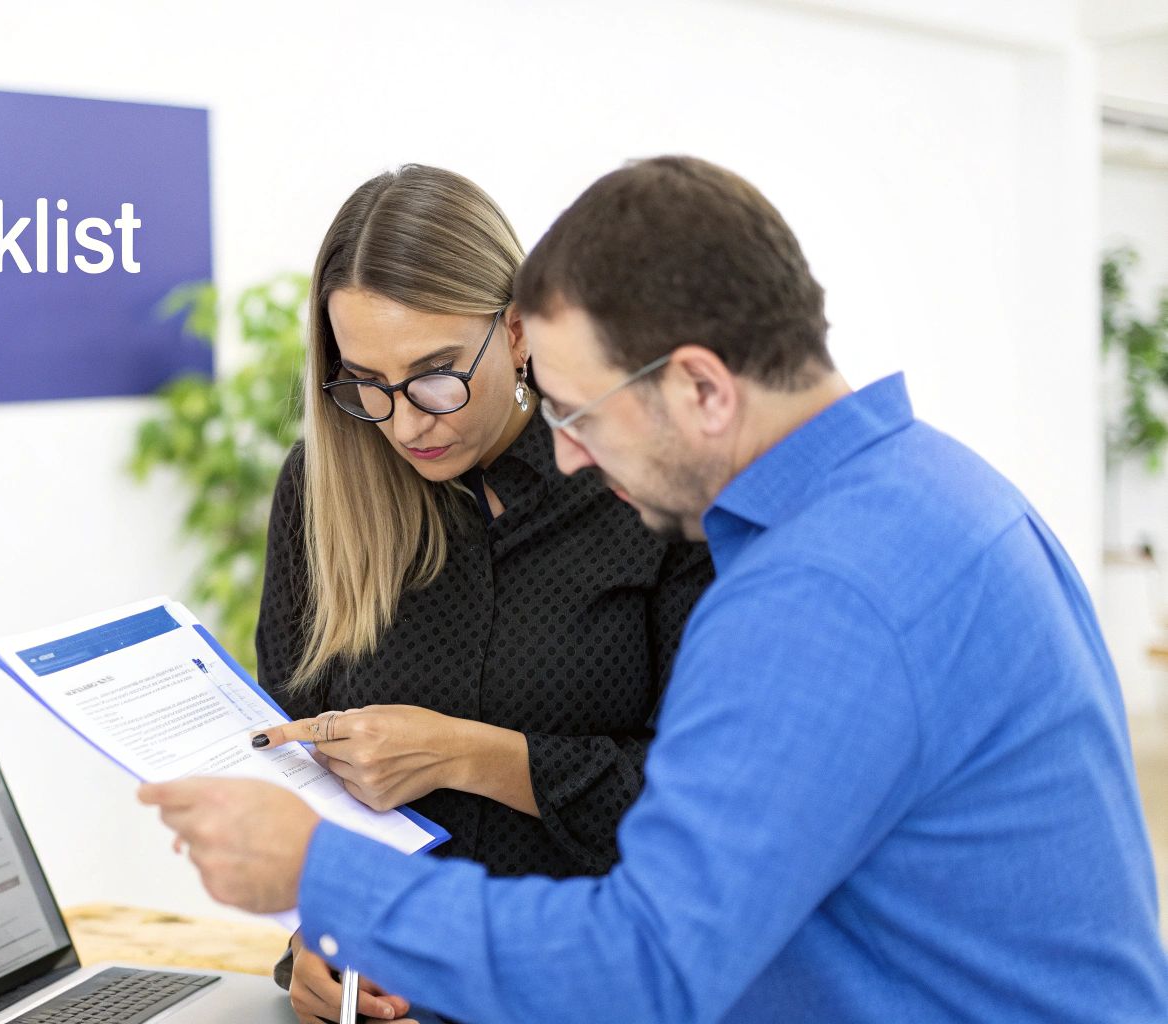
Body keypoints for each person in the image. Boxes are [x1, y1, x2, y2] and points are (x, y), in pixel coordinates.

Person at [141, 156, 1168, 1022]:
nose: (572, 459)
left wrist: (324, 876)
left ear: (700, 387)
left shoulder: (817, 595)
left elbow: (649, 964)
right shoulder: (939, 493)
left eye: (581, 414)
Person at [253, 164, 710, 1022]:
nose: (405, 422)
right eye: (366, 384)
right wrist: (310, 939)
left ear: (517, 329)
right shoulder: (320, 492)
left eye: (433, 374)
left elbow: (705, 811)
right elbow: (297, 770)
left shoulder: (641, 490)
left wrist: (477, 757)